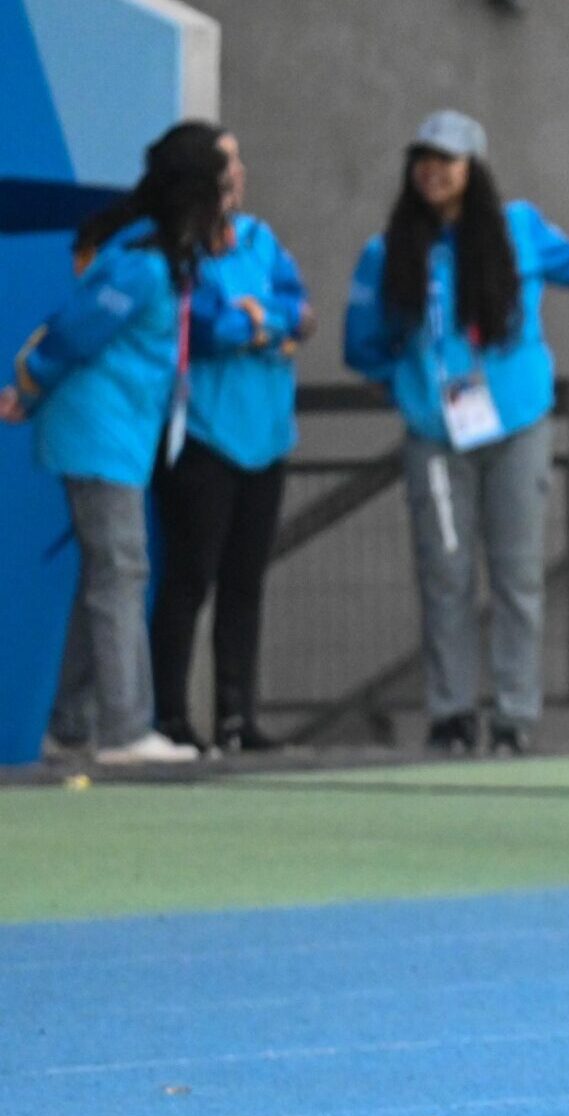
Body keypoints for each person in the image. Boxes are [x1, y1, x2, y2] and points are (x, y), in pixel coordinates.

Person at [344, 111, 569, 756]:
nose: (432, 170)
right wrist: (410, 389)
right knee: (445, 571)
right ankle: (451, 714)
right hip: (436, 434)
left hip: (515, 423)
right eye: (423, 158)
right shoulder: (388, 251)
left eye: (447, 159)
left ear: (473, 169)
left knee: (517, 574)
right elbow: (362, 343)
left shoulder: (518, 230)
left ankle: (515, 715)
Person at [2, 122, 229, 766]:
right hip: (96, 435)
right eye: (221, 184)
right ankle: (126, 729)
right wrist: (30, 382)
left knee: (105, 574)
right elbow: (76, 329)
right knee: (124, 570)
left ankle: (70, 726)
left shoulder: (165, 259)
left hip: (119, 434)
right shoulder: (143, 264)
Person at [147, 128, 308, 754]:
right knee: (189, 578)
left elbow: (303, 310)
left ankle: (237, 717)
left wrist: (261, 319)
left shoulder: (260, 239)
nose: (240, 170)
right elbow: (202, 330)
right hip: (203, 435)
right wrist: (260, 321)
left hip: (265, 435)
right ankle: (167, 716)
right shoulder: (174, 249)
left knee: (246, 581)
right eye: (229, 160)